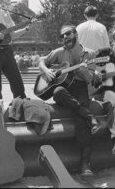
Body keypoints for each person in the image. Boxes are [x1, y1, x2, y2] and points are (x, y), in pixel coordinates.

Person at [38, 25, 102, 176]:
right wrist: (47, 71)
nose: (65, 38)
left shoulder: (90, 54)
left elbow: (90, 80)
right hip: (64, 90)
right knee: (58, 91)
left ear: (76, 34)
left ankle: (85, 164)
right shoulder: (59, 52)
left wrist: (84, 70)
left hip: (80, 88)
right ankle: (91, 117)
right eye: (62, 36)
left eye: (67, 34)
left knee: (81, 122)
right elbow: (42, 61)